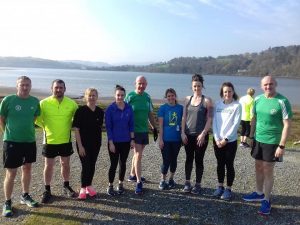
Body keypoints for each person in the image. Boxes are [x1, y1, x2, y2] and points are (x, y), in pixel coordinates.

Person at [242, 75, 292, 215]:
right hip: (258, 139)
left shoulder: (282, 101)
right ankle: (258, 192)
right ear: (261, 86)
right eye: (265, 85)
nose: (268, 87)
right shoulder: (257, 99)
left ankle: (267, 199)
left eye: (271, 84)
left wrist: (281, 146)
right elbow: (254, 119)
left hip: (273, 141)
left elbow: (287, 125)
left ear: (275, 84)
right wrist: (251, 136)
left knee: (267, 169)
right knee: (258, 166)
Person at [0, 76, 40, 217]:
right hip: (11, 141)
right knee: (11, 172)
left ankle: (25, 196)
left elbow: (34, 117)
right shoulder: (8, 100)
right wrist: (7, 133)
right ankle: (7, 202)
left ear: (30, 86)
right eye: (22, 85)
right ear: (17, 86)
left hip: (29, 141)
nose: (25, 87)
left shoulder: (35, 101)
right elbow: (2, 118)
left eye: (27, 85)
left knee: (27, 168)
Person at [35, 79, 78, 203]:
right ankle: (47, 190)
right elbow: (37, 119)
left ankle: (66, 185)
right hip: (50, 140)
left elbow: (77, 119)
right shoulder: (43, 103)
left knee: (65, 164)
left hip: (65, 139)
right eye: (56, 87)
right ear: (52, 88)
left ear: (65, 89)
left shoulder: (72, 104)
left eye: (61, 87)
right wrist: (46, 128)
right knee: (49, 165)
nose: (58, 89)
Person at [125, 75, 158, 194]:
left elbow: (150, 114)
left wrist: (154, 128)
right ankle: (139, 182)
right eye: (139, 83)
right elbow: (123, 112)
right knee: (138, 155)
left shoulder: (147, 97)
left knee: (137, 154)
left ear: (146, 85)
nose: (141, 86)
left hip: (144, 130)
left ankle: (132, 175)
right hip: (133, 131)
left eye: (143, 84)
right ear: (135, 83)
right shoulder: (130, 96)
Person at [181, 74, 213, 194]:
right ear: (191, 86)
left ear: (202, 86)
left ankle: (198, 184)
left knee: (199, 160)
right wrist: (182, 133)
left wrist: (204, 133)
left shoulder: (207, 101)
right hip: (188, 135)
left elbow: (209, 119)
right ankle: (187, 182)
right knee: (188, 159)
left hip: (201, 137)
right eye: (194, 86)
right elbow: (184, 117)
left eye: (199, 86)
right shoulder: (187, 99)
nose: (196, 88)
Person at [72, 88, 104, 200]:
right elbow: (76, 129)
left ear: (97, 97)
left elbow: (98, 128)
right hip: (83, 145)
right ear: (86, 97)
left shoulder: (100, 111)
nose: (92, 97)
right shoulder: (80, 111)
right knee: (86, 166)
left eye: (94, 95)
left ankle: (89, 186)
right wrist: (80, 146)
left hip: (96, 144)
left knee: (92, 165)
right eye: (89, 95)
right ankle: (82, 188)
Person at [212, 82, 242, 200]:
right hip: (217, 140)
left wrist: (226, 139)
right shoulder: (217, 104)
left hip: (230, 142)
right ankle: (220, 186)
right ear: (222, 93)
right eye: (225, 91)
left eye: (229, 91)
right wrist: (216, 138)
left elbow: (235, 124)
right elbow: (214, 122)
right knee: (220, 164)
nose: (227, 94)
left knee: (229, 164)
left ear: (233, 92)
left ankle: (228, 189)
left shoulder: (237, 106)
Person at [105, 85, 134, 195]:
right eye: (118, 95)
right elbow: (109, 127)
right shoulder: (110, 109)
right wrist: (111, 142)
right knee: (113, 164)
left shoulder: (129, 108)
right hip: (114, 142)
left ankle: (120, 183)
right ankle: (110, 185)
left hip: (126, 141)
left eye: (122, 95)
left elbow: (131, 125)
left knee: (123, 163)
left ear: (124, 96)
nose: (120, 97)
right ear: (115, 95)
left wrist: (132, 139)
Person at [158, 88, 183, 190]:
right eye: (168, 96)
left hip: (176, 139)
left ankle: (171, 179)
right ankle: (162, 180)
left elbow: (183, 122)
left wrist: (183, 134)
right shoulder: (163, 108)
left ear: (175, 96)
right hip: (166, 139)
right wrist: (160, 139)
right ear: (166, 97)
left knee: (174, 160)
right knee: (166, 160)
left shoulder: (180, 108)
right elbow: (160, 126)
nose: (170, 98)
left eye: (172, 95)